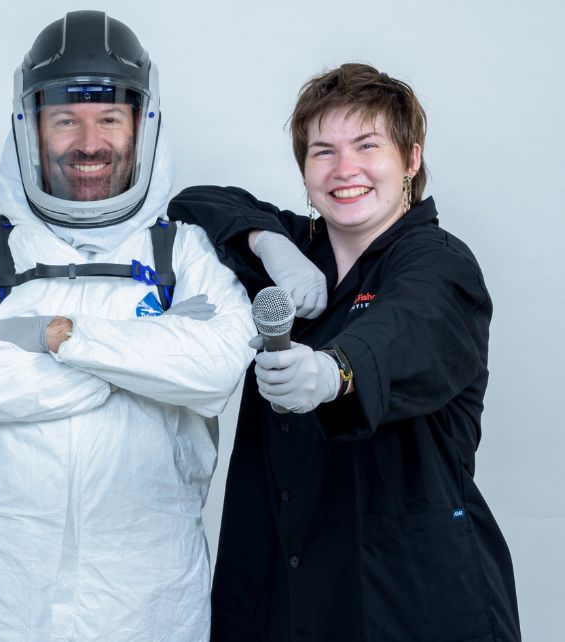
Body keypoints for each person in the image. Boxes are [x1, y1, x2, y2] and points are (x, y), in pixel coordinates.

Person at [0, 11, 255, 641]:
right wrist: (139, 368)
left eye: (110, 119)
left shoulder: (183, 250)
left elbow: (213, 371)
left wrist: (58, 337)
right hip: (1, 595)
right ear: (32, 128)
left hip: (149, 595)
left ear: (142, 125)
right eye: (66, 119)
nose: (89, 142)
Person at [169, 63, 520, 641]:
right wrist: (268, 241)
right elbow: (192, 205)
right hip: (282, 592)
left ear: (411, 160)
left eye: (367, 145)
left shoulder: (438, 261)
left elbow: (412, 326)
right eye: (323, 151)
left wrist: (334, 371)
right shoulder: (293, 253)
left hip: (408, 595)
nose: (344, 169)